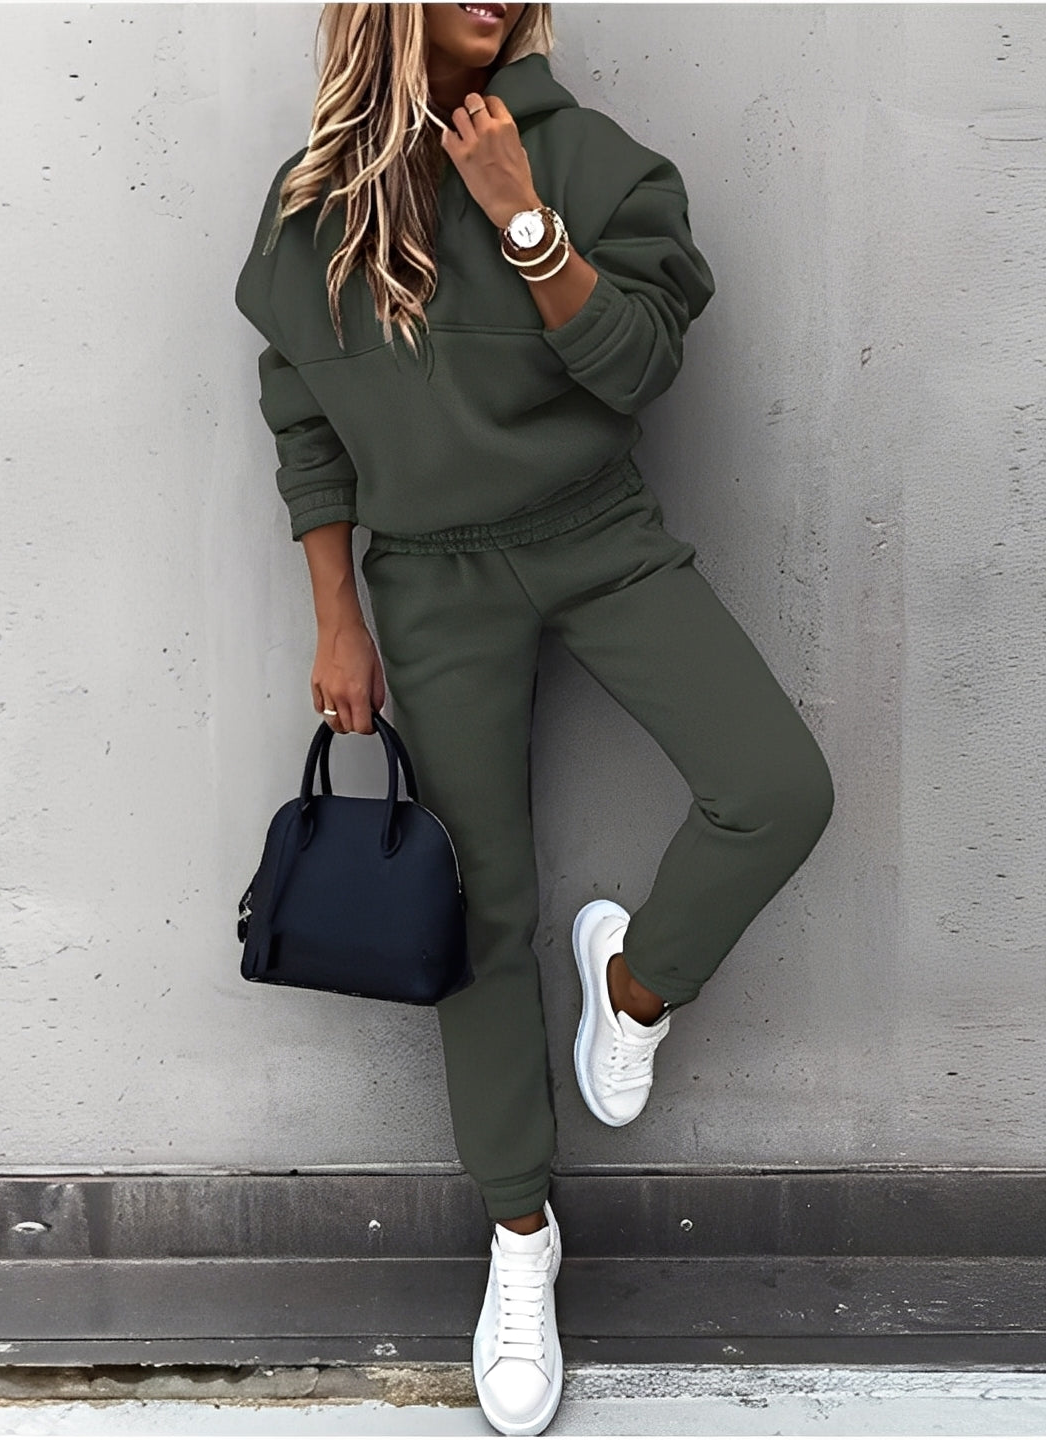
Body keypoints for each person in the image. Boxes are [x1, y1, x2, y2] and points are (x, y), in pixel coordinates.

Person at [235, 4, 834, 1434]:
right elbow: (304, 421)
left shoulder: (591, 159)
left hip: (596, 536)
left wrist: (522, 218)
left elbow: (639, 366)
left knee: (775, 788)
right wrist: (336, 617)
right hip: (430, 581)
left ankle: (632, 986)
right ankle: (520, 1240)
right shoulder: (314, 201)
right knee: (479, 912)